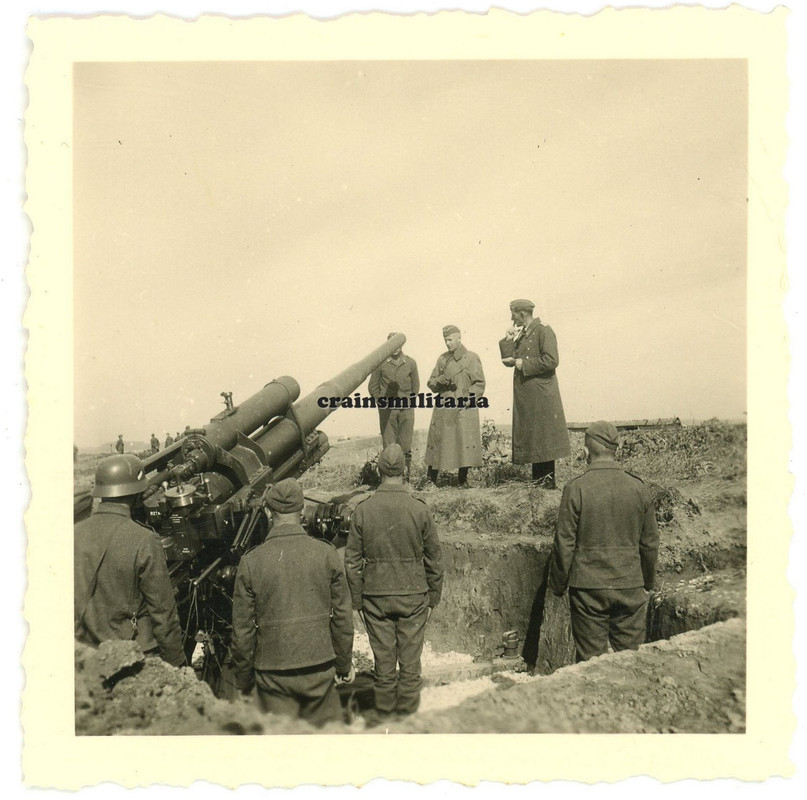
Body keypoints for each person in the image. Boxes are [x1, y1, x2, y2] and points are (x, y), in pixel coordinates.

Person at [230, 478, 354, 726]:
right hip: (319, 667)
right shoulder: (326, 553)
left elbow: (242, 632)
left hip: (272, 673)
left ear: (268, 512)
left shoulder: (251, 562)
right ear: (302, 511)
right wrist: (343, 665)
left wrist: (244, 681)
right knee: (323, 740)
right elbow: (342, 617)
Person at [345, 444, 443, 721]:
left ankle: (386, 719)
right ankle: (408, 719)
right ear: (405, 471)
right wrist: (433, 598)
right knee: (410, 666)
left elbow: (352, 561)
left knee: (384, 665)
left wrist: (357, 601)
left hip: (375, 597)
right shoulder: (419, 509)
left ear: (378, 471)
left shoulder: (363, 510)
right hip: (414, 595)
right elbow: (435, 559)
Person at [548, 421, 659, 662]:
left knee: (591, 663)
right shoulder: (638, 488)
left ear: (585, 452)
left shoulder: (575, 488)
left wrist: (558, 585)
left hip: (588, 589)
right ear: (617, 450)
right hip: (629, 585)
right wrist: (648, 582)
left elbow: (564, 543)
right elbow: (650, 543)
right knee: (631, 660)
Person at [74, 454, 186, 666]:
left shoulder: (76, 533)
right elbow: (163, 614)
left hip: (88, 655)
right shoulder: (144, 539)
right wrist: (177, 665)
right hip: (132, 657)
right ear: (136, 494)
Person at [499, 299, 570, 489]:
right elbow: (508, 361)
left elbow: (552, 360)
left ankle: (547, 484)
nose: (512, 319)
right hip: (528, 396)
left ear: (522, 314)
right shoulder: (522, 334)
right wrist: (508, 340)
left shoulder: (543, 331)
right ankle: (539, 483)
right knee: (535, 438)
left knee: (543, 438)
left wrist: (524, 364)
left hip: (541, 395)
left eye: (514, 314)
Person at [424, 325, 486, 487]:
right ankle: (431, 480)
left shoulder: (471, 358)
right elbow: (431, 382)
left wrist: (467, 399)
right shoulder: (442, 359)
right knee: (437, 442)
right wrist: (439, 381)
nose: (447, 343)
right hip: (444, 407)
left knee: (463, 443)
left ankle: (462, 480)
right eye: (445, 340)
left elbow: (479, 383)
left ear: (459, 338)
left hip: (462, 408)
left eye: (450, 339)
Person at [368, 332, 420, 482]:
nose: (395, 347)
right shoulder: (380, 363)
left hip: (406, 410)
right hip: (387, 412)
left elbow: (415, 386)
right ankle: (387, 481)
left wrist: (408, 401)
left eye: (397, 344)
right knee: (389, 447)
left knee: (406, 446)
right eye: (392, 344)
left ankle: (405, 480)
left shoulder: (410, 363)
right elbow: (373, 387)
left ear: (402, 344)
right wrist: (382, 402)